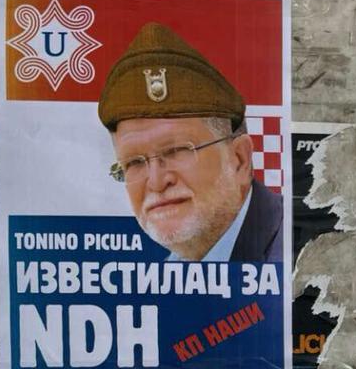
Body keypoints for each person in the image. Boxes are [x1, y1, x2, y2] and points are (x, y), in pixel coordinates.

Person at [100, 22, 282, 263]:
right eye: (134, 162)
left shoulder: (291, 253)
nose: (156, 182)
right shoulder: (168, 272)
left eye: (176, 150)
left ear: (239, 160)